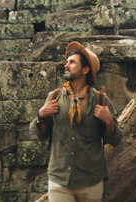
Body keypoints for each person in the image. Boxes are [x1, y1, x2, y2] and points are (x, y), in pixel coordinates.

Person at [30, 41, 122, 202]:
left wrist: (109, 122)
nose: (66, 65)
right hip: (60, 179)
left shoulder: (100, 100)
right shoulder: (55, 97)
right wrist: (40, 116)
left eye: (72, 62)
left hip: (91, 180)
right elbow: (39, 135)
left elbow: (116, 139)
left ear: (85, 70)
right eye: (67, 61)